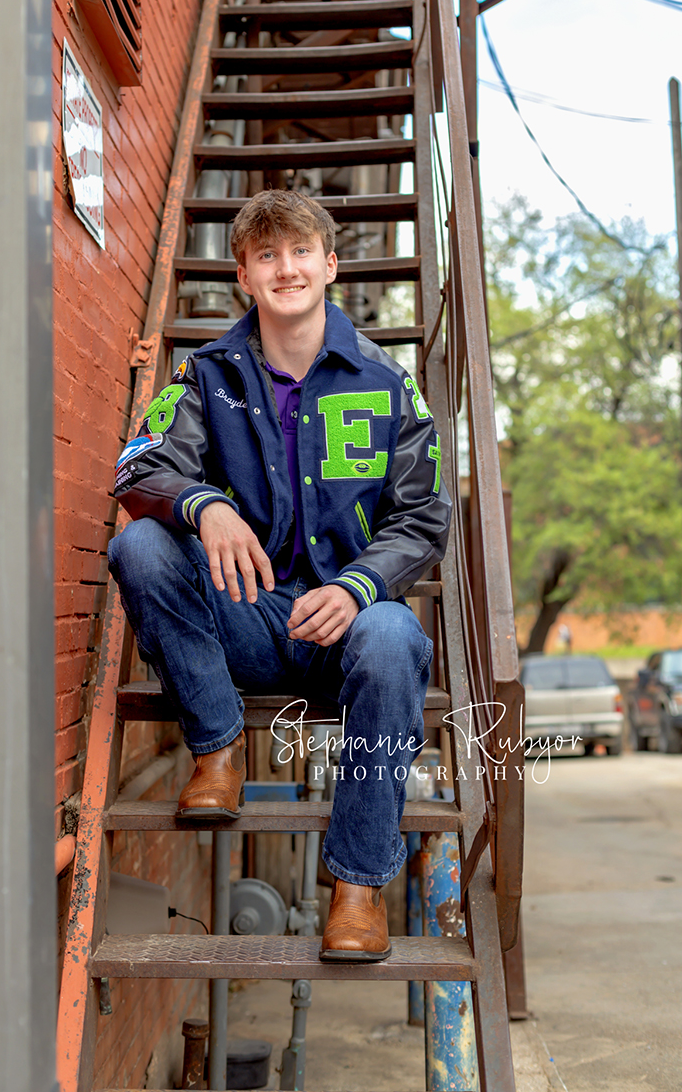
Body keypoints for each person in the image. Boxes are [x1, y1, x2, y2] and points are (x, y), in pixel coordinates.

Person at [108, 190, 452, 962]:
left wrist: (359, 586)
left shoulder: (387, 385)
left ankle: (359, 891)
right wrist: (202, 506)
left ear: (329, 265)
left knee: (396, 633)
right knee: (139, 548)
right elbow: (140, 468)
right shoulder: (207, 377)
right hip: (245, 622)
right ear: (242, 276)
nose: (285, 268)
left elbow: (425, 518)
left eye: (300, 252)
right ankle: (217, 749)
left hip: (347, 637)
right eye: (266, 255)